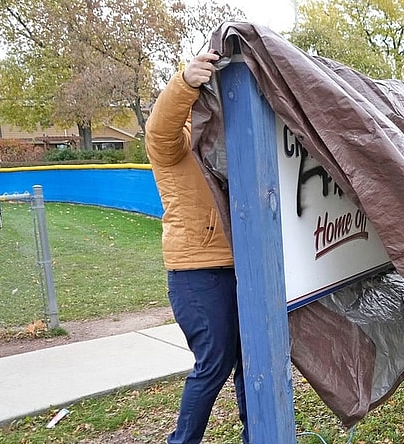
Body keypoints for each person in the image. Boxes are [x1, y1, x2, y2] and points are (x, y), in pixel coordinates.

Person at [145, 51, 249, 444]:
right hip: (196, 271)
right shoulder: (174, 145)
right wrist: (186, 82)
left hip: (237, 266)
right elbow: (158, 129)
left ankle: (256, 434)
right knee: (214, 362)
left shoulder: (218, 142)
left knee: (246, 359)